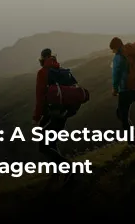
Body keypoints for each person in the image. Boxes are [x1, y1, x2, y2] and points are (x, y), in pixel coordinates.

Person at [33, 48, 78, 183]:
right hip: (63, 113)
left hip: (49, 114)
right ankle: (56, 172)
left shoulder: (42, 73)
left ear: (42, 59)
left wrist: (36, 117)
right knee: (51, 142)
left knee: (43, 146)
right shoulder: (61, 71)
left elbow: (40, 97)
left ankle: (68, 168)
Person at [109, 37, 135, 146]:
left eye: (113, 49)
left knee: (123, 115)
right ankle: (134, 138)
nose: (112, 51)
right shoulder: (129, 55)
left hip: (125, 90)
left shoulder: (118, 57)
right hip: (134, 89)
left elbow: (116, 74)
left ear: (116, 47)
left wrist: (114, 88)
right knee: (122, 114)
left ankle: (133, 142)